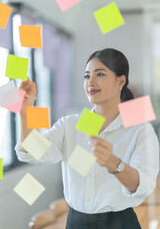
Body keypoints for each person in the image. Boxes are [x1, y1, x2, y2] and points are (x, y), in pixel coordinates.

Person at [15, 48, 159, 229]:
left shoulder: (139, 130)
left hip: (120, 224)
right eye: (86, 76)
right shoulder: (70, 125)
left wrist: (113, 163)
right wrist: (24, 112)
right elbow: (31, 153)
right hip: (76, 223)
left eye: (100, 74)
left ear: (120, 81)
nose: (90, 82)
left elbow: (143, 185)